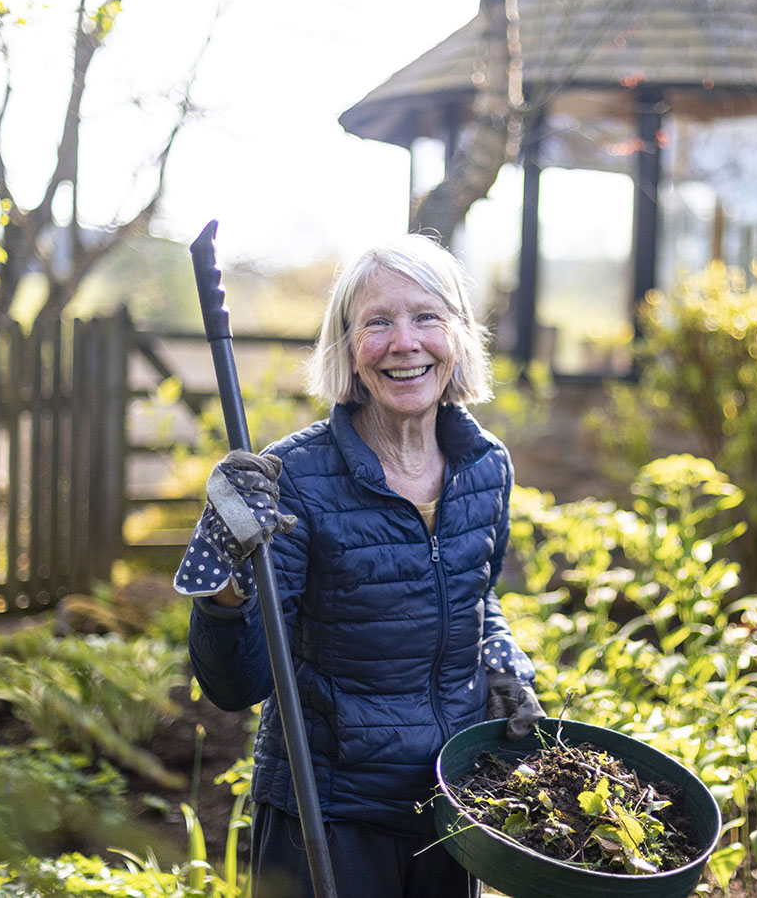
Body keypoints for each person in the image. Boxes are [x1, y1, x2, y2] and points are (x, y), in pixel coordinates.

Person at [174, 233, 545, 898]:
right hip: (328, 815)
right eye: (378, 322)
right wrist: (226, 578)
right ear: (346, 347)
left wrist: (500, 656)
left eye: (427, 317)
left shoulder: (486, 467)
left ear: (458, 336)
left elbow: (475, 597)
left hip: (449, 807)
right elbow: (239, 683)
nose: (405, 342)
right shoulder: (295, 479)